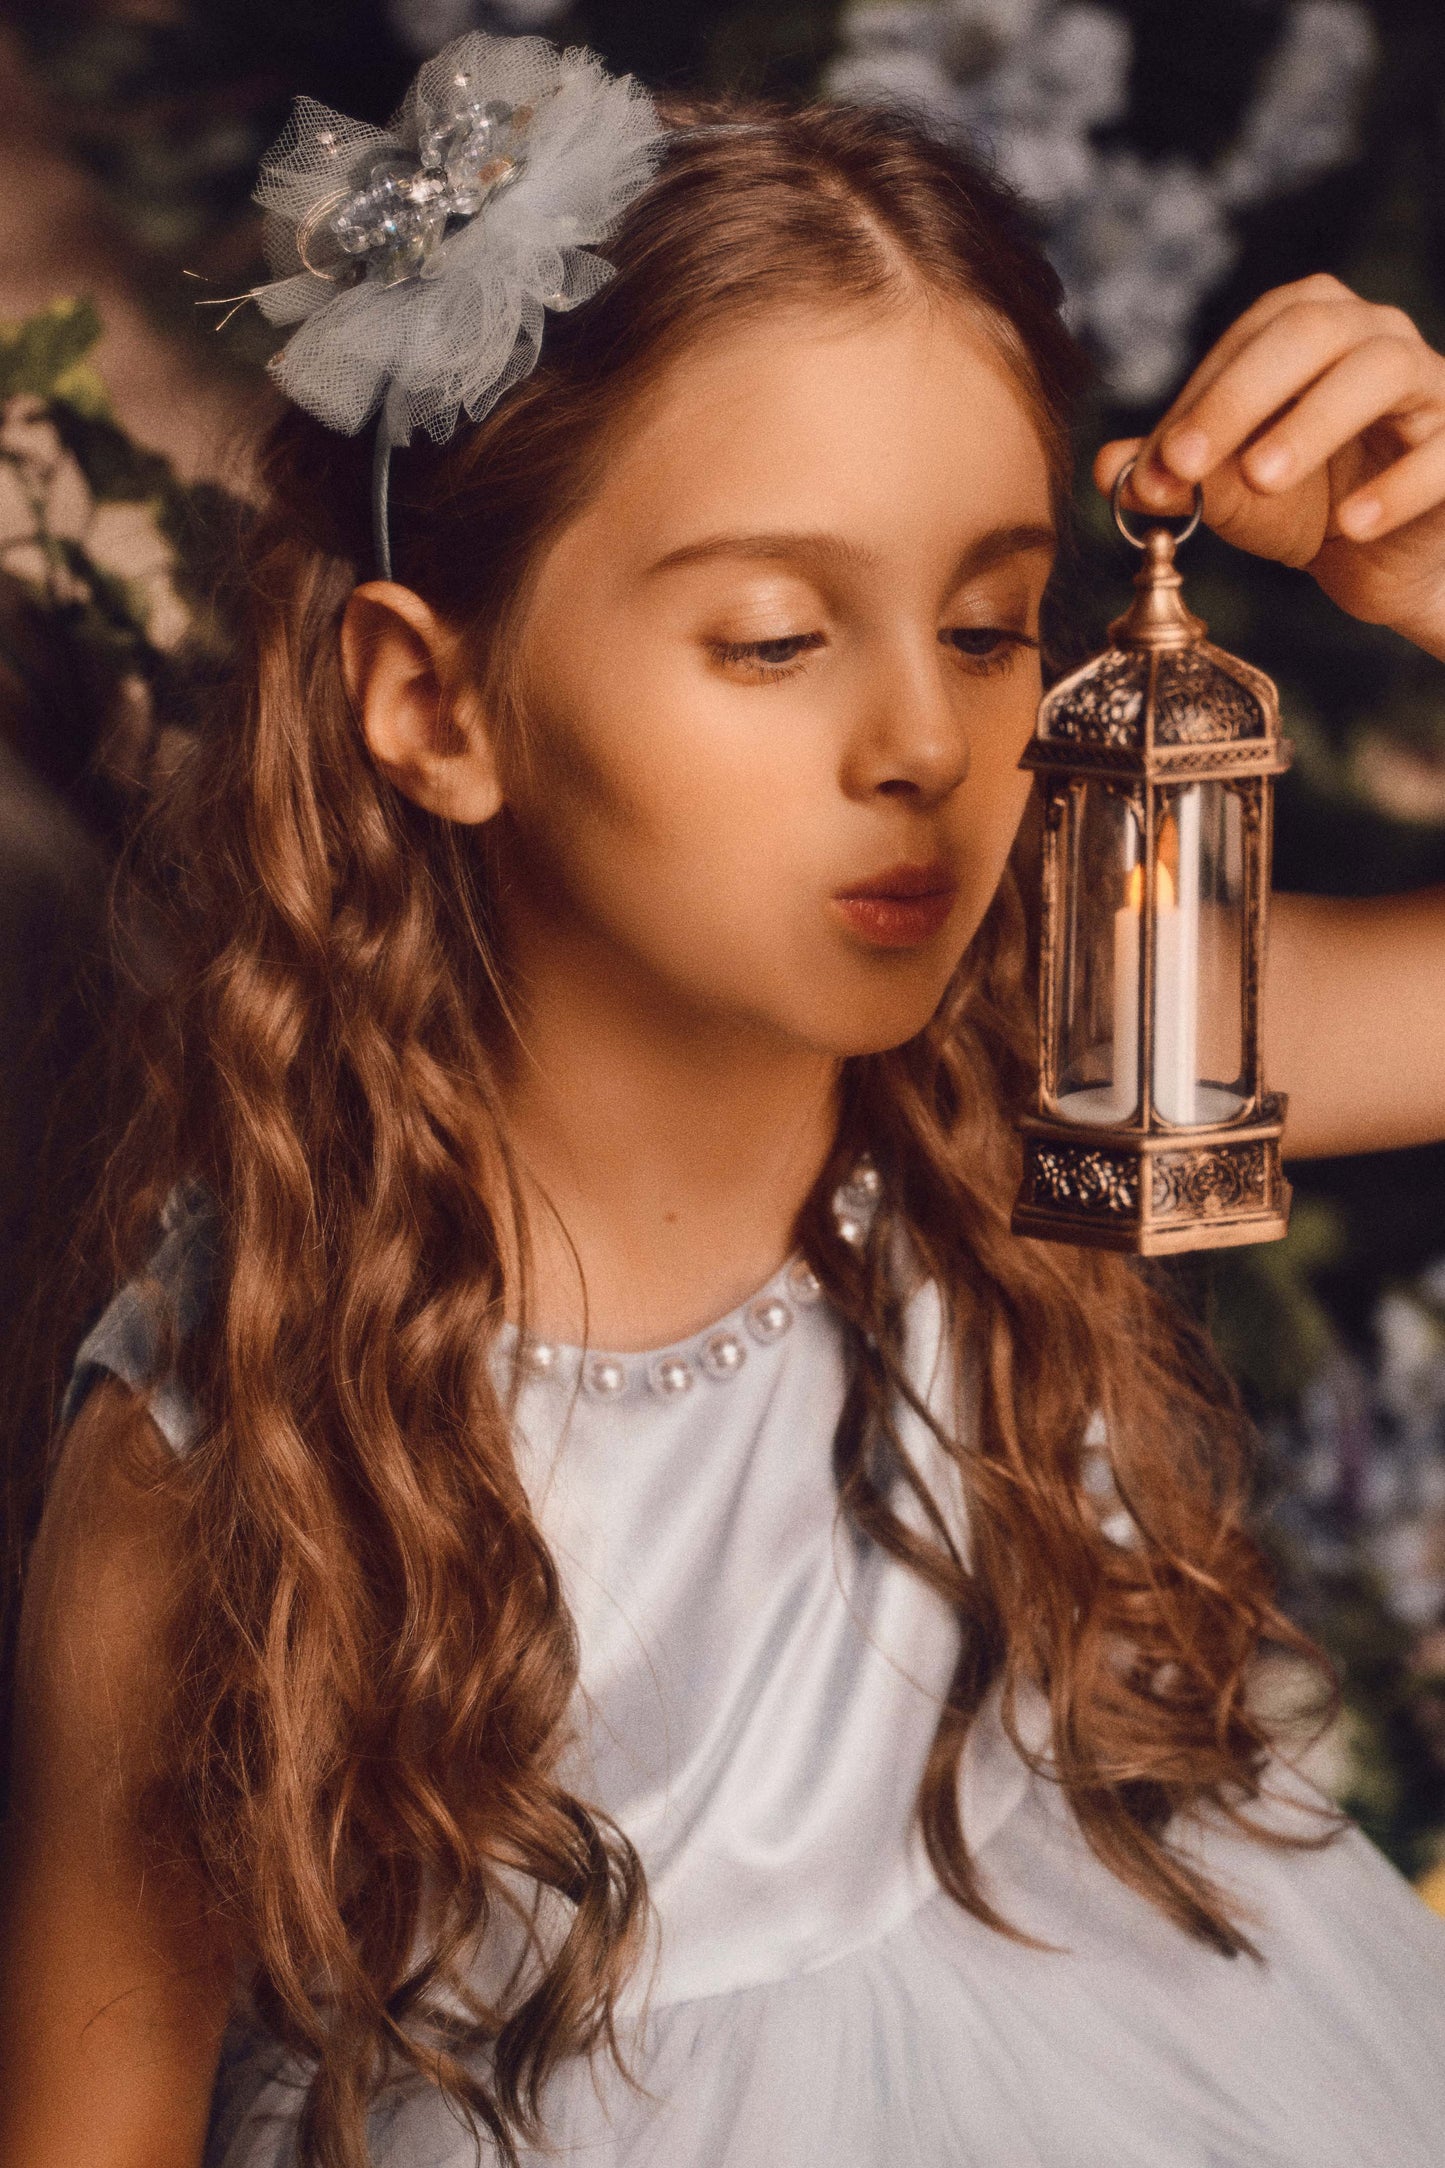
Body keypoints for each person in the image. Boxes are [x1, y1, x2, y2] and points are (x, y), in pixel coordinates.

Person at [2, 33, 1444, 2168]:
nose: (920, 744)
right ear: (434, 700)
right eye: (774, 638)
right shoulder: (236, 1450)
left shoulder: (1062, 1056)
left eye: (983, 623)